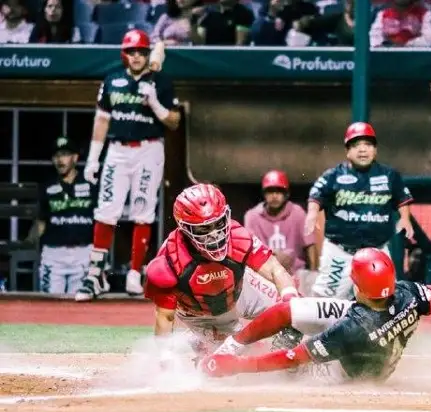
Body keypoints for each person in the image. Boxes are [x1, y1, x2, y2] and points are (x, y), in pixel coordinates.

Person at [199, 213, 431, 382]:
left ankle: (237, 349)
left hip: (344, 369)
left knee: (290, 358)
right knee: (293, 309)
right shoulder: (408, 294)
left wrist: (238, 366)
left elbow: (292, 357)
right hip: (373, 335)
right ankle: (236, 341)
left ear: (359, 289)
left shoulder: (349, 330)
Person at [143, 183, 301, 366]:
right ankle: (198, 340)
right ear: (184, 228)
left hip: (241, 290)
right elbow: (165, 316)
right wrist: (165, 357)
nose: (215, 235)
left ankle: (288, 356)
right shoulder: (170, 261)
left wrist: (289, 299)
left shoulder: (238, 236)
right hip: (202, 313)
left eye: (218, 224)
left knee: (297, 310)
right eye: (203, 229)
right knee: (235, 363)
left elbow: (275, 270)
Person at [76, 29, 181, 301]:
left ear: (148, 55)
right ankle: (94, 275)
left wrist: (155, 103)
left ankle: (135, 273)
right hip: (117, 150)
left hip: (149, 148)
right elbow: (101, 120)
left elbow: (174, 121)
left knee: (143, 211)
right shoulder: (112, 81)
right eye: (132, 51)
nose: (137, 56)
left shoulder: (162, 81)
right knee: (106, 210)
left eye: (142, 52)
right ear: (125, 54)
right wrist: (92, 158)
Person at [304, 122, 414, 299]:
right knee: (324, 301)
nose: (362, 150)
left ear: (375, 150)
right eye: (356, 145)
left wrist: (405, 218)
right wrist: (311, 213)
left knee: (383, 299)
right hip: (340, 252)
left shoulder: (389, 175)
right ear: (347, 151)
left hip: (376, 251)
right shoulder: (333, 175)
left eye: (368, 145)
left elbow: (402, 198)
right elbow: (316, 195)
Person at [26, 136, 95, 295]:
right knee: (49, 304)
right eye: (56, 155)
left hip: (84, 254)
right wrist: (29, 241)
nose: (60, 160)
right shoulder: (48, 187)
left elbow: (101, 222)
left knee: (80, 306)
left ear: (75, 157)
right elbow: (41, 221)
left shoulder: (91, 186)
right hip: (53, 255)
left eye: (64, 154)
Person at [244, 170, 317, 278]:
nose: (274, 196)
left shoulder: (297, 213)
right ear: (264, 194)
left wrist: (313, 274)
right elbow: (248, 250)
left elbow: (310, 244)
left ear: (286, 194)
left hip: (295, 274)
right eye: (270, 191)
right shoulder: (252, 216)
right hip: (264, 275)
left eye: (279, 191)